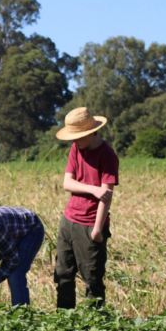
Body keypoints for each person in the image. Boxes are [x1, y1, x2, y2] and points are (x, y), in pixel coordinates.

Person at [53, 107, 119, 309]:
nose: (74, 141)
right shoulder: (76, 148)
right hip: (68, 221)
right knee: (62, 274)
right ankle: (65, 318)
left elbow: (106, 196)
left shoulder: (107, 155)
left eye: (78, 136)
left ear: (91, 132)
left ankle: (94, 322)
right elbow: (67, 183)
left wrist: (98, 231)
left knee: (92, 278)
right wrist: (93, 189)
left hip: (91, 224)